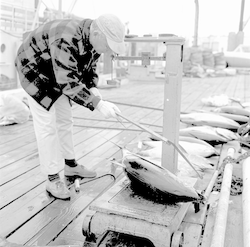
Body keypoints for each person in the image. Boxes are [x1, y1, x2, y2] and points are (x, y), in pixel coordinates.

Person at [15, 14, 126, 200]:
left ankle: (71, 166)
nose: (108, 51)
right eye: (108, 46)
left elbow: (87, 69)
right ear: (97, 33)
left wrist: (93, 89)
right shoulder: (65, 39)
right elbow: (67, 81)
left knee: (65, 119)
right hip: (35, 71)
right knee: (47, 126)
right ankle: (52, 179)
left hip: (56, 70)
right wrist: (97, 104)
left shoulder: (93, 39)